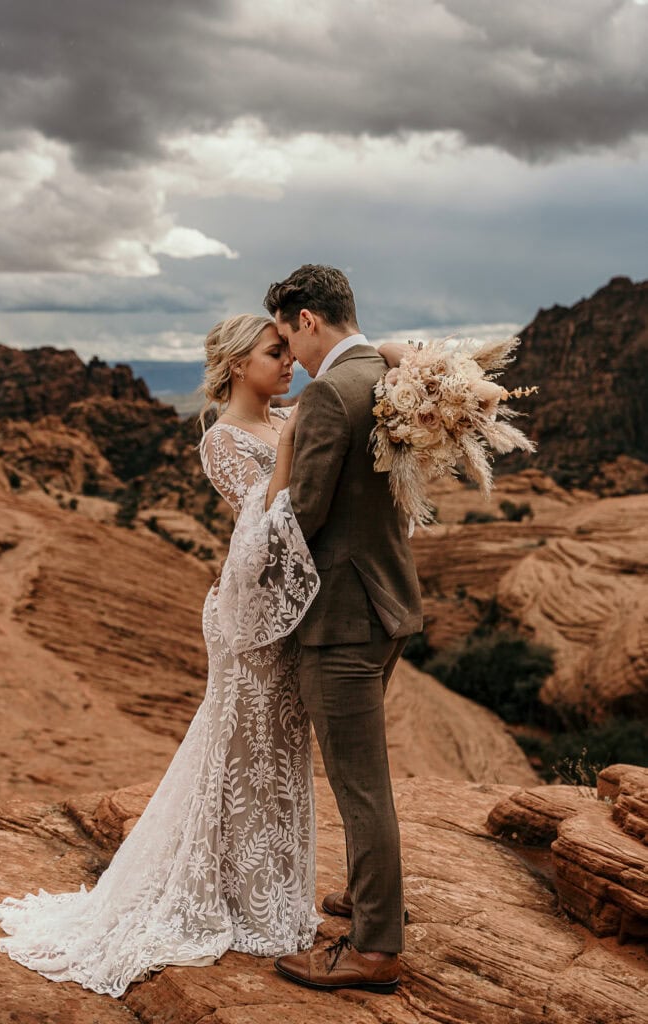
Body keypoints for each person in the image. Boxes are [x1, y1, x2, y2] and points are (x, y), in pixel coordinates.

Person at [0, 313, 322, 998]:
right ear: (236, 364)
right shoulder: (222, 439)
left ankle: (275, 895)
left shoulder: (283, 419)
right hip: (247, 614)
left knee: (281, 749)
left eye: (290, 352)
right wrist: (299, 435)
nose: (289, 363)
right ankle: (228, 897)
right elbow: (266, 516)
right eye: (274, 353)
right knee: (241, 748)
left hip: (286, 610)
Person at [264, 265, 423, 995]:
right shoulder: (386, 370)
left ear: (306, 319)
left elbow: (306, 511)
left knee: (361, 786)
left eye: (288, 338)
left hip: (342, 619)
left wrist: (250, 561)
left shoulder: (332, 390)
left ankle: (372, 947)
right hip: (387, 599)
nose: (288, 357)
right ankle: (369, 902)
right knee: (366, 777)